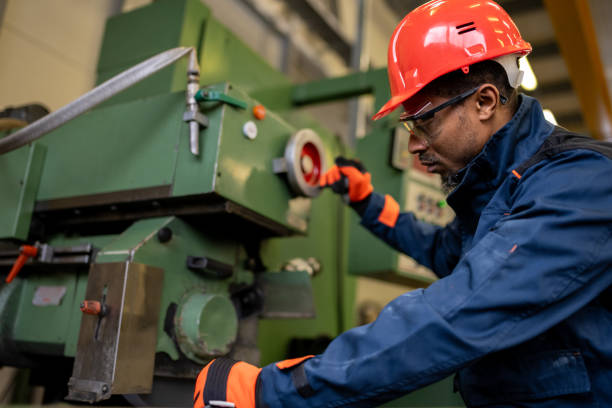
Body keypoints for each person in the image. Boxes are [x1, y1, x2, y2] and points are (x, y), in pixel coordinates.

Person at [193, 0, 612, 406]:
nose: (413, 144)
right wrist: (367, 203)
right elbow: (440, 250)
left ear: (484, 101)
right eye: (408, 123)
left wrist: (270, 392)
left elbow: (463, 312)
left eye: (424, 119)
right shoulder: (499, 191)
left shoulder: (580, 182)